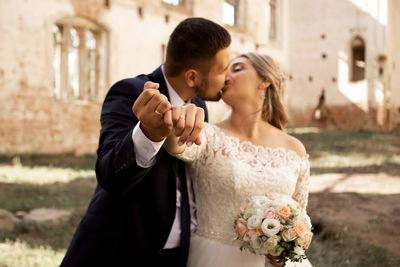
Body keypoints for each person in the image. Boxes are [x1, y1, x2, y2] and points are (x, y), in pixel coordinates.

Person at [60, 17, 231, 267]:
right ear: (192, 77)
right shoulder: (131, 93)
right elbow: (109, 175)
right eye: (222, 70)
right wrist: (150, 133)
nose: (227, 78)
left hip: (177, 255)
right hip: (117, 253)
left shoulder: (198, 105)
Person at [163, 53, 313, 267]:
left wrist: (285, 252)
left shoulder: (294, 148)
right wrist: (179, 116)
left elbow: (300, 221)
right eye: (225, 70)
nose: (226, 76)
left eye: (238, 68)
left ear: (264, 81)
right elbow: (174, 143)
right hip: (212, 258)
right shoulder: (208, 135)